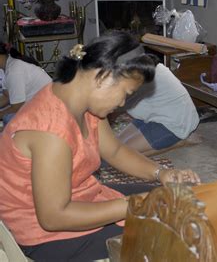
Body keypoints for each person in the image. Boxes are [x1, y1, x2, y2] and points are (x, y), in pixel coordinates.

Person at [0, 32, 200, 261]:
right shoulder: (50, 131)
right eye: (125, 93)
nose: (123, 103)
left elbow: (114, 150)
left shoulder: (82, 103)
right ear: (101, 76)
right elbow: (53, 217)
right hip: (47, 235)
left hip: (79, 198)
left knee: (180, 200)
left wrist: (161, 173)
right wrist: (133, 205)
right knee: (171, 233)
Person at [116, 62, 200, 156]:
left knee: (120, 154)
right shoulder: (142, 64)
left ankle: (178, 143)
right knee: (116, 144)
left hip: (175, 123)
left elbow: (115, 107)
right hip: (158, 114)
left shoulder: (137, 74)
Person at [0, 42, 52, 125]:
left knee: (8, 119)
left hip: (47, 110)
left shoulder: (14, 70)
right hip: (37, 107)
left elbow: (17, 108)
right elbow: (7, 96)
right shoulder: (9, 66)